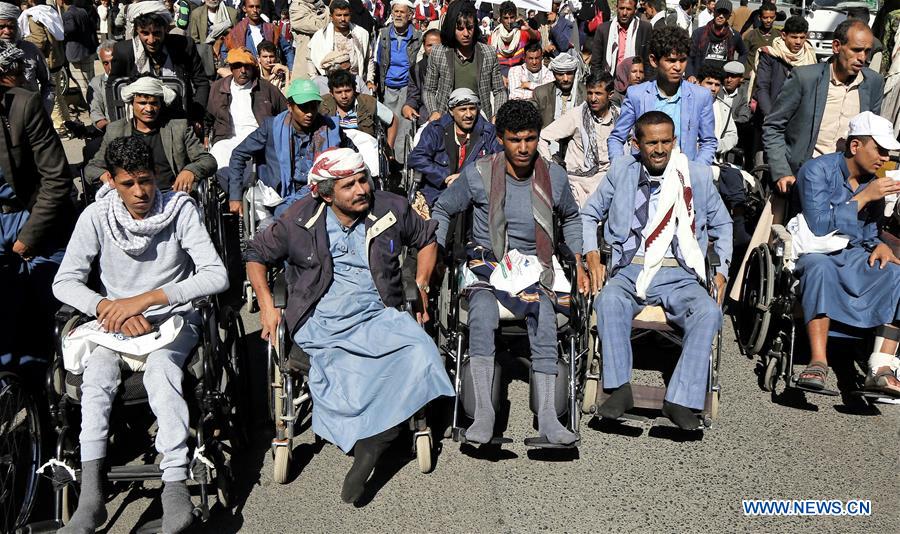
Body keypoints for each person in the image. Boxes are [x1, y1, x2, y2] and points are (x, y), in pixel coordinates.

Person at [245, 147, 454, 504]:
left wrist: (420, 283)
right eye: (349, 185)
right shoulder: (298, 220)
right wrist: (266, 305)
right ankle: (375, 437)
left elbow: (427, 239)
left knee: (421, 350)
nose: (361, 190)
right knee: (337, 366)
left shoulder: (392, 208)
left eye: (363, 180)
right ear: (326, 194)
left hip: (377, 309)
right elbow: (255, 255)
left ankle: (373, 440)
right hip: (321, 316)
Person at [53, 136, 229, 534]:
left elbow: (216, 275)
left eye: (146, 181)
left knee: (163, 373)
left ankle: (174, 488)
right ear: (112, 182)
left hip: (173, 319)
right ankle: (91, 500)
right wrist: (106, 307)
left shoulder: (180, 210)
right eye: (128, 184)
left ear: (156, 176)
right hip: (117, 325)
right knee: (96, 379)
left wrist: (147, 299)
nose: (140, 192)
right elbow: (64, 282)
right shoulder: (96, 217)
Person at [431, 99, 589, 446]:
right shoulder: (479, 173)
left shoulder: (555, 177)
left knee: (545, 313)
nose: (523, 147)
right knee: (483, 310)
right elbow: (443, 208)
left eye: (530, 139)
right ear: (500, 138)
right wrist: (437, 252)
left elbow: (573, 218)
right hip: (489, 262)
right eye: (514, 139)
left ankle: (548, 417)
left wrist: (578, 258)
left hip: (536, 266)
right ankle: (484, 413)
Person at [581, 111, 732, 430]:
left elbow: (723, 224)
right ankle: (619, 389)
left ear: (675, 141)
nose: (660, 149)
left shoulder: (697, 176)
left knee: (707, 311)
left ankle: (680, 399)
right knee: (608, 300)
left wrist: (722, 270)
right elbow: (589, 213)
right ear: (637, 143)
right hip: (631, 267)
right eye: (652, 143)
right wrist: (592, 253)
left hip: (680, 271)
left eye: (666, 141)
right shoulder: (622, 170)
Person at [791, 112, 900, 397]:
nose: (884, 158)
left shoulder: (873, 181)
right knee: (820, 268)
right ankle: (818, 360)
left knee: (894, 271)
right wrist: (863, 197)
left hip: (852, 252)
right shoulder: (816, 171)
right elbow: (818, 225)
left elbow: (871, 233)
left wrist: (881, 245)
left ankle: (881, 366)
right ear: (855, 147)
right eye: (880, 150)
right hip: (818, 249)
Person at [0, 41, 73, 370]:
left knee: (46, 308)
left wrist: (28, 236)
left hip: (28, 214)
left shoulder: (23, 105)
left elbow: (56, 180)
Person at [762, 19, 883, 194]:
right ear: (836, 46)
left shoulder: (873, 82)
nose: (862, 58)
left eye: (867, 51)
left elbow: (870, 134)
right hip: (803, 178)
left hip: (847, 183)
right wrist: (782, 172)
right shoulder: (805, 79)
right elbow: (773, 126)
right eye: (856, 50)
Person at [225, 79, 349, 219]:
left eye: (313, 107)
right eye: (303, 107)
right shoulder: (272, 127)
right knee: (288, 219)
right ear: (290, 106)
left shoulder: (331, 129)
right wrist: (234, 196)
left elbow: (352, 157)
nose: (309, 113)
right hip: (283, 197)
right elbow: (238, 154)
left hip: (322, 193)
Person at [85, 76, 217, 193]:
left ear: (160, 104)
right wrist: (105, 176)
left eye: (153, 103)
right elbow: (91, 168)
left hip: (171, 195)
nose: (148, 109)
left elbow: (208, 161)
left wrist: (190, 171)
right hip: (131, 198)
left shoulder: (178, 128)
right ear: (132, 103)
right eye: (142, 103)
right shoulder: (116, 131)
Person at [608, 26, 717, 165]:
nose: (678, 67)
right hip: (644, 175)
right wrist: (621, 168)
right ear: (654, 61)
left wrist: (696, 171)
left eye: (682, 60)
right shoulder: (637, 95)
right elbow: (617, 137)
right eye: (671, 61)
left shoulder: (700, 96)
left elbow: (708, 141)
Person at [110, 3, 210, 124]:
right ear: (136, 31)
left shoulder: (184, 46)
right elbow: (113, 86)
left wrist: (196, 116)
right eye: (145, 33)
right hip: (139, 122)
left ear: (166, 29)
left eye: (157, 33)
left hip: (177, 119)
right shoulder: (124, 51)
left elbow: (201, 82)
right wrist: (117, 122)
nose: (151, 40)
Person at [407, 88, 502, 209]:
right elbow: (416, 158)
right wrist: (444, 177)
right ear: (451, 111)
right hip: (438, 193)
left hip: (475, 196)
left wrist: (466, 178)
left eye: (472, 109)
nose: (468, 114)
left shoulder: (488, 132)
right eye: (463, 109)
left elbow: (499, 161)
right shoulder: (436, 129)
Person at [538, 71, 618, 206]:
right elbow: (543, 137)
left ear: (610, 95)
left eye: (598, 93)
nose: (593, 99)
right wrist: (551, 166)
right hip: (578, 182)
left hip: (609, 180)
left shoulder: (620, 117)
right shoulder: (577, 115)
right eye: (590, 93)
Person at [206, 46, 288, 176]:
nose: (243, 71)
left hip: (258, 139)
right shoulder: (218, 88)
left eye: (247, 67)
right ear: (231, 68)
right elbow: (208, 117)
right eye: (238, 66)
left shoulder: (267, 89)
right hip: (226, 138)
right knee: (218, 154)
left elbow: (285, 114)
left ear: (253, 68)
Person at [423, 0, 506, 122]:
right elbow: (429, 89)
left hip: (480, 120)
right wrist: (434, 112)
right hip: (446, 120)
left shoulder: (488, 53)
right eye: (460, 29)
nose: (466, 33)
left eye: (470, 28)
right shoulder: (438, 53)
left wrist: (497, 114)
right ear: (452, 28)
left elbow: (499, 91)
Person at [752, 15, 815, 118]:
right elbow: (762, 87)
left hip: (796, 118)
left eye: (802, 37)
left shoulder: (809, 56)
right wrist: (770, 118)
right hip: (770, 116)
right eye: (794, 37)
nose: (798, 42)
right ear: (784, 35)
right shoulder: (770, 55)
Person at [320, 68, 398, 151]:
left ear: (354, 89)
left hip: (364, 150)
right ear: (331, 93)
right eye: (339, 92)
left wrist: (389, 149)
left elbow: (393, 120)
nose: (344, 96)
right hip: (335, 150)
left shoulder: (368, 102)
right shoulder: (323, 104)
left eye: (348, 91)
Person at [21, 2, 68, 136]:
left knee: (51, 95)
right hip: (57, 58)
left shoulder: (34, 15)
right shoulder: (49, 11)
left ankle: (60, 127)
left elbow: (39, 40)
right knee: (58, 94)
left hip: (48, 60)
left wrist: (24, 40)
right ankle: (67, 122)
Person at [307, 0, 375, 92]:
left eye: (346, 15)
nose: (343, 19)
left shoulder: (361, 34)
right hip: (329, 86)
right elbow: (310, 58)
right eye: (339, 15)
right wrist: (314, 79)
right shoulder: (321, 36)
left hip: (355, 84)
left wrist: (370, 81)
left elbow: (369, 58)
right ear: (331, 17)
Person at [0, 3, 52, 116]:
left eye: (11, 27)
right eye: (1, 27)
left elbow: (49, 84)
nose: (7, 31)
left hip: (31, 117)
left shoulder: (30, 50)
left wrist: (44, 112)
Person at [687, 0, 747, 78]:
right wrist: (690, 75)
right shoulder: (699, 33)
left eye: (725, 13)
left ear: (729, 15)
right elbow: (689, 56)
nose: (721, 16)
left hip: (721, 82)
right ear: (714, 12)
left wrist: (736, 69)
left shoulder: (734, 35)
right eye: (719, 12)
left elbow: (744, 52)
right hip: (699, 80)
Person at [224, 0, 293, 66]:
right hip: (247, 73)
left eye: (257, 7)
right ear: (244, 9)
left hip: (270, 73)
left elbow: (288, 49)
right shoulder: (236, 32)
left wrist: (290, 69)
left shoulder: (272, 29)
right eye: (251, 7)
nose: (255, 10)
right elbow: (224, 51)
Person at [590, 0, 651, 76]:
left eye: (628, 9)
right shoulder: (603, 29)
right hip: (609, 81)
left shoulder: (645, 29)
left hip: (635, 82)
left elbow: (647, 61)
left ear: (635, 10)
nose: (624, 13)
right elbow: (596, 62)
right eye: (621, 8)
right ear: (616, 8)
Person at [532, 52, 584, 128]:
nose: (565, 79)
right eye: (560, 74)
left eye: (569, 73)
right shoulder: (541, 93)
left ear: (575, 72)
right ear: (554, 74)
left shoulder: (585, 93)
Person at [489, 0, 540, 78]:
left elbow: (537, 37)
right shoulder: (494, 36)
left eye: (512, 17)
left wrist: (528, 29)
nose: (509, 21)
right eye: (506, 18)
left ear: (516, 17)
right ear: (501, 19)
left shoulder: (522, 32)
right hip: (501, 75)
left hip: (520, 73)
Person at [697, 63, 737, 159]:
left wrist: (716, 146)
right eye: (709, 83)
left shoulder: (724, 108)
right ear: (699, 83)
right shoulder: (688, 104)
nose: (713, 88)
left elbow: (732, 135)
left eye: (717, 85)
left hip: (715, 159)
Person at [402, 27, 440, 126]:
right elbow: (414, 95)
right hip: (426, 117)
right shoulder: (416, 69)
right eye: (429, 45)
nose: (433, 49)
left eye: (437, 45)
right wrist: (408, 106)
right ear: (424, 46)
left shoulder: (451, 66)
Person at [62, 0, 98, 103]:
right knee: (90, 81)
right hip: (87, 51)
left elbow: (71, 28)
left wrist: (59, 29)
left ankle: (93, 108)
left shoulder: (68, 14)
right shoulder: (82, 11)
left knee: (84, 85)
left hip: (76, 54)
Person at [288, 0, 328, 80]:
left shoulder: (323, 7)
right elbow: (317, 26)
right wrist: (329, 17)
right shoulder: (296, 8)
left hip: (325, 59)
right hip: (305, 61)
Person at [741, 1, 778, 78]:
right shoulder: (751, 36)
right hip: (750, 78)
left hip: (770, 78)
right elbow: (743, 57)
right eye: (765, 17)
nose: (769, 20)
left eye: (771, 17)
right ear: (760, 18)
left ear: (775, 17)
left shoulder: (779, 36)